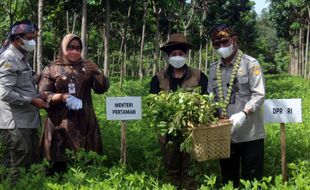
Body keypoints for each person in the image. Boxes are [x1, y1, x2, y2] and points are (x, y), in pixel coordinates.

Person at [38, 33, 109, 174]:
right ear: (63, 48)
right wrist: (61, 97)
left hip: (85, 120)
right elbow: (43, 93)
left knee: (86, 161)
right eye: (70, 47)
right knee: (57, 164)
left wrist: (98, 72)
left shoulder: (88, 67)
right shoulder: (51, 68)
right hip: (60, 122)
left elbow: (101, 89)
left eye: (78, 48)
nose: (75, 51)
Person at [207, 24, 265, 187]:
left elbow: (259, 94)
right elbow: (210, 98)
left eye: (225, 42)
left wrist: (244, 113)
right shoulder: (213, 69)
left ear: (234, 40)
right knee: (229, 181)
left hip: (251, 134)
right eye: (216, 44)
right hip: (226, 136)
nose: (221, 47)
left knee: (252, 183)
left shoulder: (250, 64)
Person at [150, 33, 208, 189]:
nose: (177, 56)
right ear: (168, 56)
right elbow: (153, 104)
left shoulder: (199, 76)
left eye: (180, 54)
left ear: (186, 55)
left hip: (192, 132)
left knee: (191, 171)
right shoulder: (158, 78)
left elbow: (207, 100)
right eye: (174, 54)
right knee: (172, 170)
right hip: (168, 135)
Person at [0, 20, 49, 184]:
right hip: (15, 121)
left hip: (26, 119)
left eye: (34, 37)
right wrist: (33, 100)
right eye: (29, 38)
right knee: (19, 165)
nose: (32, 41)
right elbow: (5, 93)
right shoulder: (9, 59)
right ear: (17, 39)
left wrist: (39, 82)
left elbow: (23, 83)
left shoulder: (22, 58)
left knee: (22, 161)